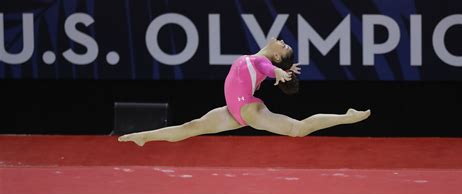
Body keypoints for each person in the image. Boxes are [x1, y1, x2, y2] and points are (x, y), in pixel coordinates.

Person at [118, 38, 370, 146]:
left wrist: (278, 72)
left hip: (249, 110)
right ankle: (144, 137)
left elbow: (266, 67)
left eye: (283, 45)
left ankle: (345, 116)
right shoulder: (257, 61)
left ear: (277, 55)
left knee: (298, 129)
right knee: (191, 127)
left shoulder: (261, 62)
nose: (280, 41)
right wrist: (280, 70)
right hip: (233, 112)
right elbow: (266, 67)